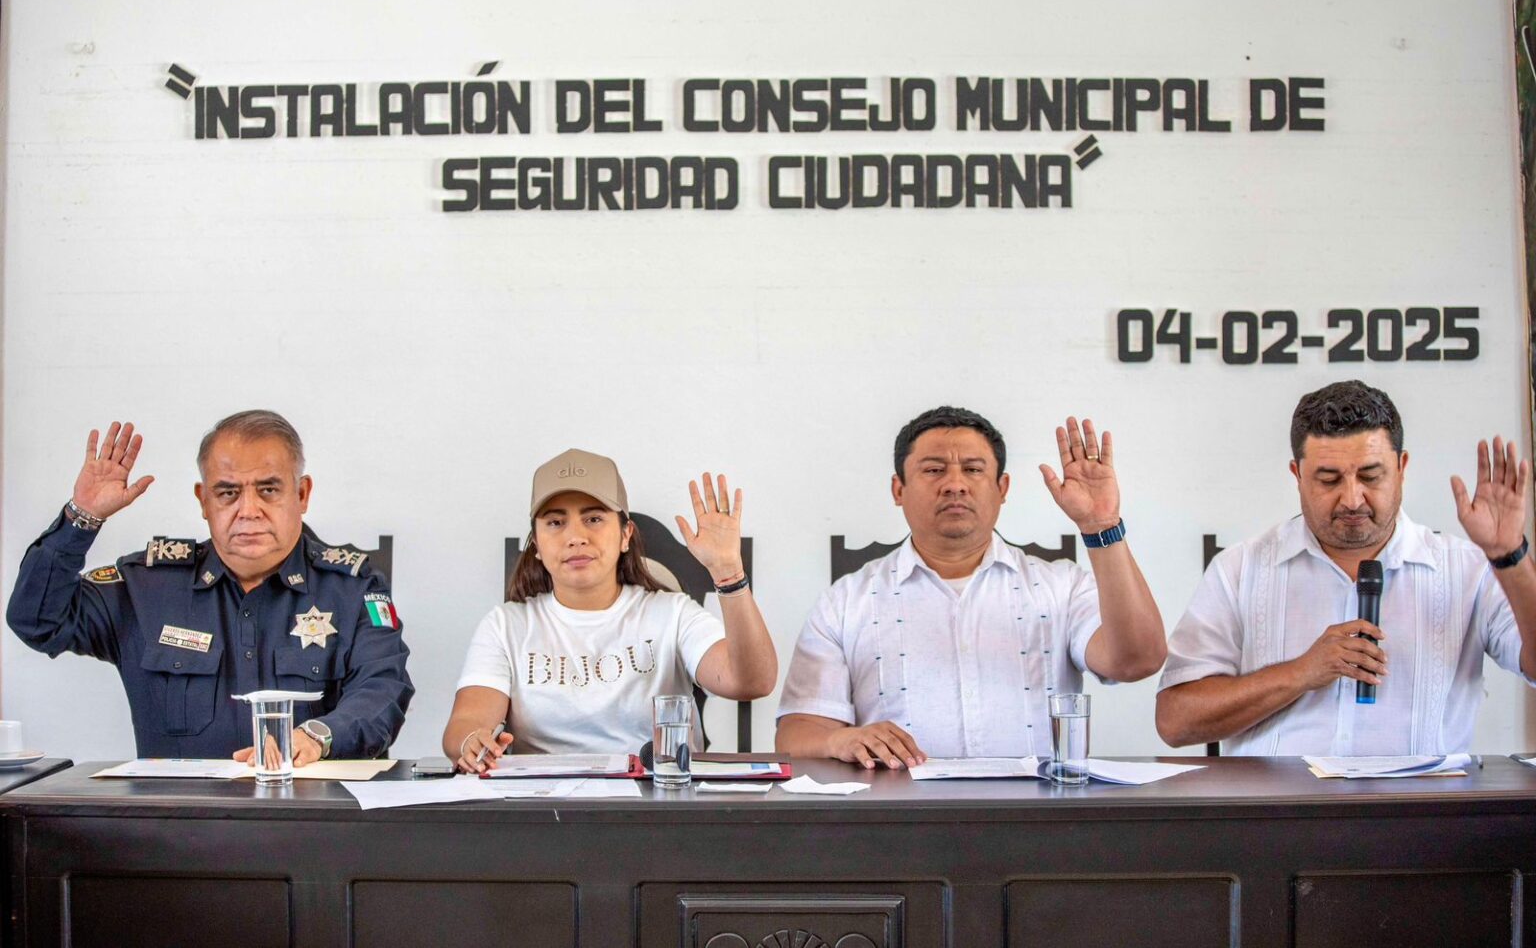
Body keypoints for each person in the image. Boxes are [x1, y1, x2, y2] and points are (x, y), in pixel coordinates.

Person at [1156, 380, 1536, 755]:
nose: (1352, 499)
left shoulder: (1465, 569)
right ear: (1297, 475)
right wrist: (1301, 673)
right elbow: (1175, 721)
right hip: (1278, 812)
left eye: (1371, 476)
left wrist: (1509, 556)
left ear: (1402, 467)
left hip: (1421, 812)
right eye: (1329, 479)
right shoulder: (1240, 569)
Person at [7, 413, 414, 763]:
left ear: (302, 494)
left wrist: (317, 737)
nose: (248, 510)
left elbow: (383, 688)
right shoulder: (146, 588)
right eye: (228, 492)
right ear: (204, 501)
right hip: (177, 837)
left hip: (310, 828)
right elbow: (37, 621)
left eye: (268, 490)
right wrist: (82, 518)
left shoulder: (352, 589)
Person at [775, 406, 1167, 769]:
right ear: (898, 489)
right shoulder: (846, 601)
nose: (955, 485)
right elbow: (797, 732)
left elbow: (1136, 661)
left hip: (1040, 821)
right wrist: (841, 740)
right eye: (933, 470)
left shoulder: (1061, 586)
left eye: (974, 470)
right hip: (896, 824)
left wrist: (1101, 527)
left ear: (1003, 488)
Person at [443, 448, 778, 772]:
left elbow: (751, 681)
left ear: (625, 535)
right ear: (536, 545)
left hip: (655, 807)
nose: (576, 536)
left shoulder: (672, 614)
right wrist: (473, 743)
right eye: (556, 523)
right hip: (542, 810)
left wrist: (728, 572)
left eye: (594, 518)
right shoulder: (506, 625)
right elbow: (467, 722)